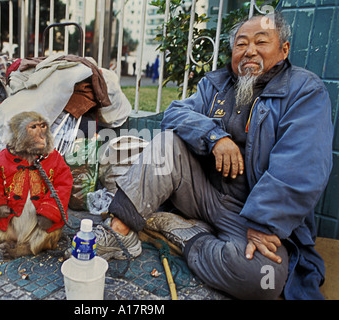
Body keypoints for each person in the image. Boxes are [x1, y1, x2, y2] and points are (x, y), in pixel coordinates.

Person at [93, 13, 333, 300]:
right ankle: (119, 231)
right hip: (204, 192)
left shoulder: (305, 91)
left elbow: (301, 167)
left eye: (261, 42)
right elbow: (175, 113)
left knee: (263, 279)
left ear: (284, 49)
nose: (250, 51)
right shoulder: (217, 84)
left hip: (251, 214)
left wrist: (264, 224)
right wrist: (213, 137)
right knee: (167, 142)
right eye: (241, 44)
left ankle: (186, 235)